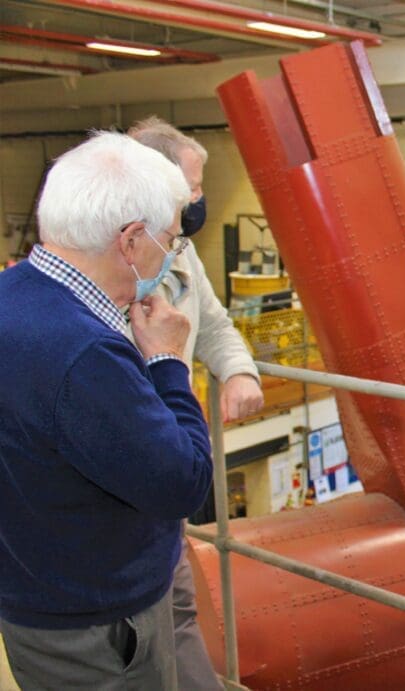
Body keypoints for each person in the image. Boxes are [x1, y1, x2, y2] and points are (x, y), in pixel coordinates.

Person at [0, 131, 212, 689]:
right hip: (101, 627)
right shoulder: (83, 350)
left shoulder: (11, 298)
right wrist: (167, 360)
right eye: (171, 238)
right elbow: (183, 482)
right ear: (133, 240)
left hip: (34, 597)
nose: (172, 253)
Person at [128, 116, 264, 690]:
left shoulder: (179, 253)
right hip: (131, 451)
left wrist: (237, 370)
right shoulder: (113, 266)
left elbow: (211, 323)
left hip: (171, 445)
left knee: (177, 601)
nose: (200, 200)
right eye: (194, 188)